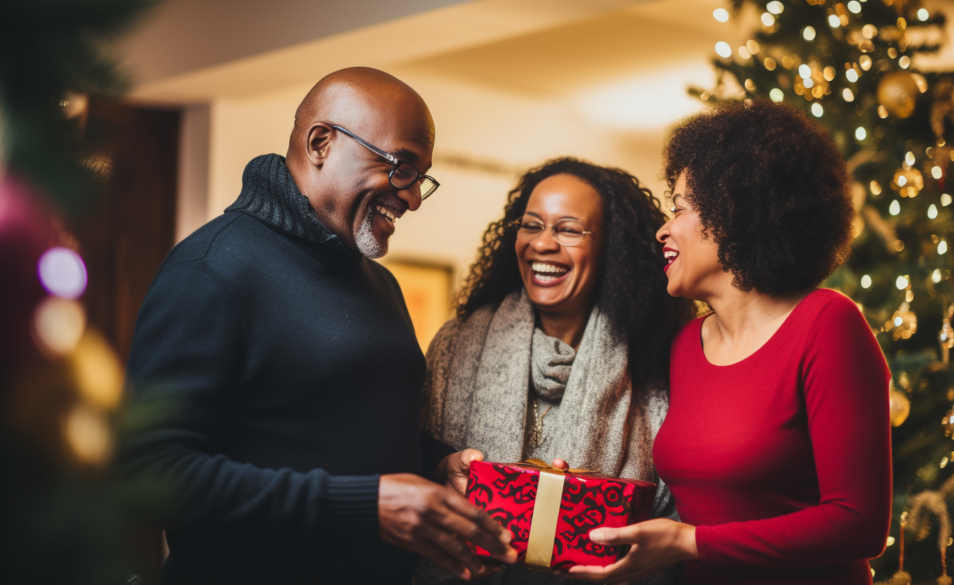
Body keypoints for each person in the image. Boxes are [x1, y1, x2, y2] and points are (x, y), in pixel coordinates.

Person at [117, 67, 517, 585]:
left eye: (421, 178)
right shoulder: (214, 268)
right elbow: (145, 474)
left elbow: (339, 438)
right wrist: (363, 503)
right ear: (321, 143)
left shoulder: (380, 284)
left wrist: (433, 466)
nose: (413, 197)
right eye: (401, 167)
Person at [568, 100, 892, 584]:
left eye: (678, 208)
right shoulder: (684, 345)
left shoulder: (827, 324)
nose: (664, 228)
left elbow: (858, 524)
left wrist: (688, 542)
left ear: (732, 213)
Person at [417, 158, 690, 584]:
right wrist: (440, 468)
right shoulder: (456, 342)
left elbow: (676, 513)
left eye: (567, 228)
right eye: (531, 225)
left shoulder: (658, 361)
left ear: (611, 247)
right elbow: (410, 465)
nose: (542, 244)